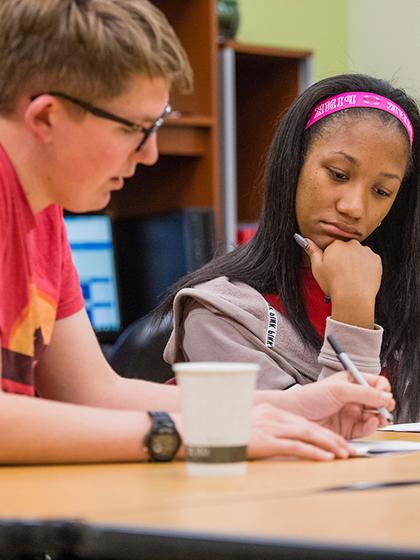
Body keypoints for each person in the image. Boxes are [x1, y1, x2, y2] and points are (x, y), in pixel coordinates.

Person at [0, 0, 394, 465]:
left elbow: (91, 390)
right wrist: (188, 431)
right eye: (135, 129)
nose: (148, 155)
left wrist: (291, 407)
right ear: (45, 117)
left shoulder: (44, 214)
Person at [162, 73, 420, 423]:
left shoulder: (405, 301)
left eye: (381, 192)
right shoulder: (217, 312)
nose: (354, 207)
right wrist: (353, 313)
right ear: (294, 164)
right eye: (338, 174)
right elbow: (330, 434)